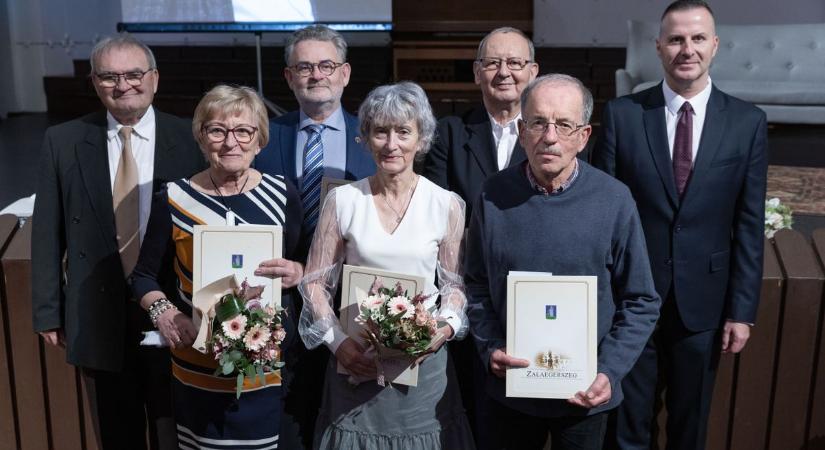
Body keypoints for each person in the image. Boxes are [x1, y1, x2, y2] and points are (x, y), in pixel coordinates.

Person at [592, 2, 768, 449]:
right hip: (632, 303)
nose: (686, 49)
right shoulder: (622, 115)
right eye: (675, 39)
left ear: (715, 45)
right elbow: (605, 216)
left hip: (705, 306)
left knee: (690, 428)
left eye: (697, 38)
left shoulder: (747, 123)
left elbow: (748, 224)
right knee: (628, 427)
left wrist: (741, 311)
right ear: (658, 47)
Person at [465, 74, 661, 450]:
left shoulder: (614, 201)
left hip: (584, 399)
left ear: (584, 136)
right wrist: (490, 347)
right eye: (538, 122)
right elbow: (475, 285)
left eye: (564, 125)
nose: (550, 136)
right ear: (522, 131)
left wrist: (608, 371)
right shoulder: (493, 195)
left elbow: (641, 300)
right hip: (510, 394)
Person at [31, 34, 205, 450]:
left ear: (155, 79)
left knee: (175, 434)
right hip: (97, 313)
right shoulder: (64, 141)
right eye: (109, 76)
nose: (123, 84)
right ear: (94, 82)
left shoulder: (192, 139)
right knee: (116, 434)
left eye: (133, 74)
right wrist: (47, 311)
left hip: (174, 312)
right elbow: (47, 230)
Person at [298, 81, 475, 449]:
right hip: (355, 365)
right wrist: (338, 343)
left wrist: (441, 331)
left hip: (423, 371)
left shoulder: (447, 205)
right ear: (365, 136)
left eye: (403, 132)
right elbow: (315, 283)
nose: (391, 144)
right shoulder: (343, 201)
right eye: (380, 131)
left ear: (421, 137)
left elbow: (455, 288)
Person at [130, 84, 305, 448]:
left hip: (266, 370)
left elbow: (305, 263)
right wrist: (164, 313)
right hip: (198, 368)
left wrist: (298, 272)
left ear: (259, 140)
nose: (231, 142)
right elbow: (144, 276)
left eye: (243, 131)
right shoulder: (175, 198)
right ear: (201, 137)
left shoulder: (283, 193)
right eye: (217, 130)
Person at [423, 26, 538, 221]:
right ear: (477, 72)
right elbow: (436, 212)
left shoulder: (548, 135)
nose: (503, 72)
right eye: (492, 63)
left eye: (514, 63)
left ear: (532, 72)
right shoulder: (449, 134)